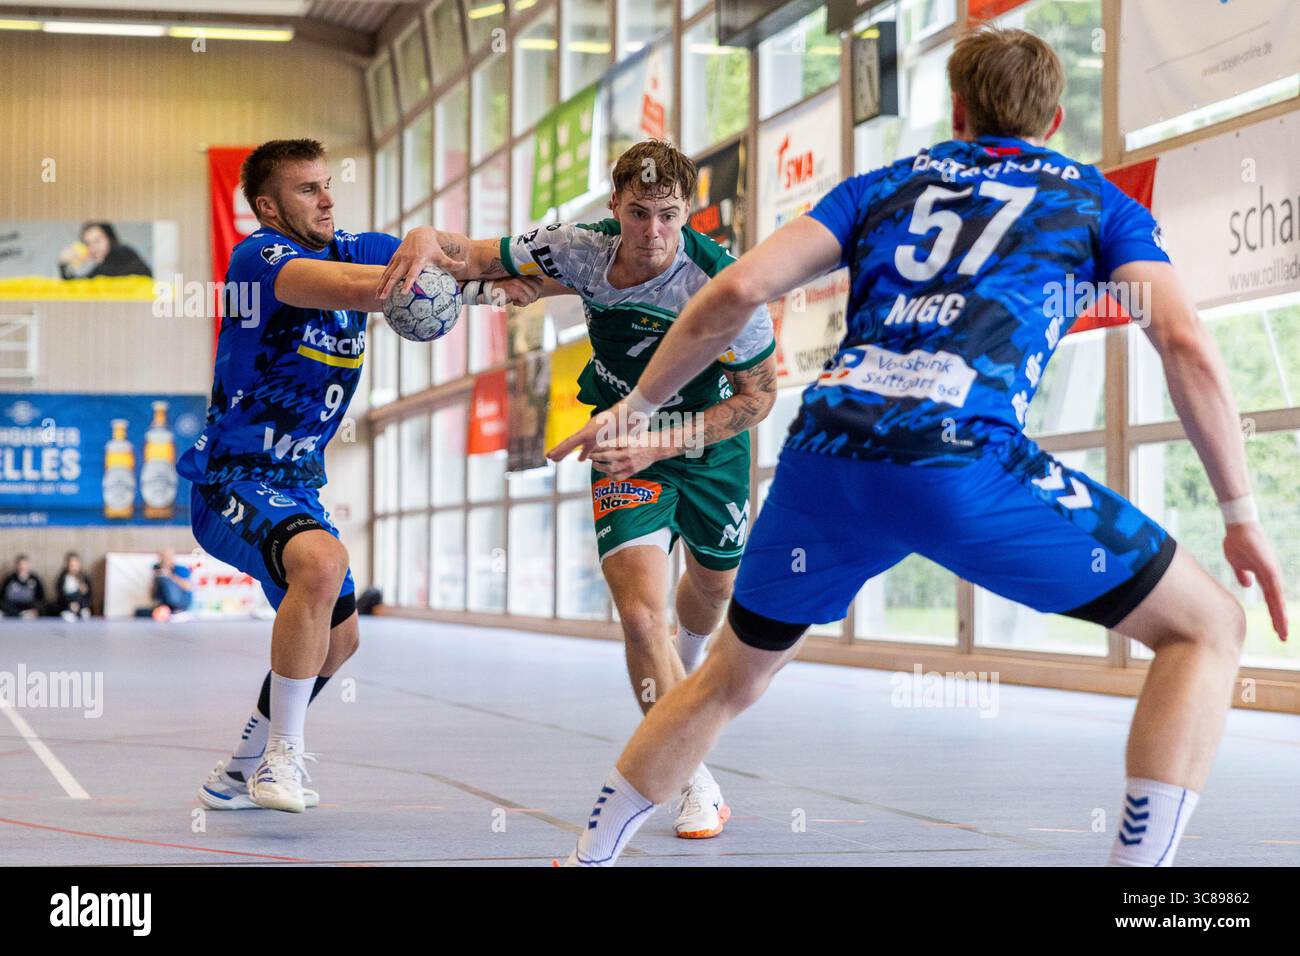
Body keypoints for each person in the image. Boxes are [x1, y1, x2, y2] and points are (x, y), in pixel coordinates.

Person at [548, 27, 1290, 866]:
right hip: (959, 460)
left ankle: (585, 855)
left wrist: (639, 406)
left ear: (958, 108)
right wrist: (1239, 513)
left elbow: (740, 287)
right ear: (1054, 118)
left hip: (826, 456)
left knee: (728, 677)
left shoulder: (884, 185)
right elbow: (1184, 340)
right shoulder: (1093, 200)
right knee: (1208, 627)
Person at [381, 139, 779, 839]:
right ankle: (693, 779)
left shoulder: (725, 285)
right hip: (620, 443)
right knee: (637, 618)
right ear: (613, 205)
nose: (653, 233)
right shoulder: (579, 250)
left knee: (714, 592)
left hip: (708, 446)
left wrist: (662, 437)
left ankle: (676, 678)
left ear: (688, 211)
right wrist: (423, 237)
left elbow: (759, 399)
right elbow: (469, 256)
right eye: (637, 213)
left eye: (667, 215)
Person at [181, 139, 536, 814]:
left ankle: (238, 772)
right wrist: (443, 274)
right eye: (308, 190)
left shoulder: (358, 244)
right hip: (232, 477)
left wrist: (511, 274)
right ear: (268, 206)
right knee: (322, 562)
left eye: (327, 185)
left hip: (299, 484)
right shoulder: (259, 258)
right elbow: (359, 289)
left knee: (341, 641)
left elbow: (477, 256)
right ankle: (284, 759)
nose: (327, 198)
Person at [58, 222, 152, 278]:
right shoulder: (103, 267)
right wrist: (64, 265)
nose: (93, 248)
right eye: (88, 244)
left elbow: (86, 282)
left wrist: (64, 266)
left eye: (97, 241)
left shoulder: (123, 252)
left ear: (109, 239)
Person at [152, 548, 193, 616]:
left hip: (181, 602)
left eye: (167, 557)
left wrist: (169, 575)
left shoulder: (181, 569)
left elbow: (188, 587)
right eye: (162, 557)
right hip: (164, 605)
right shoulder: (157, 569)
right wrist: (155, 578)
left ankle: (175, 609)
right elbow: (152, 594)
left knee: (164, 579)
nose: (164, 560)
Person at [53, 552, 92, 621]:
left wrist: (83, 590)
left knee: (80, 600)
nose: (74, 568)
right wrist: (69, 604)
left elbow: (88, 595)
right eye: (71, 565)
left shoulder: (84, 577)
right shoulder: (63, 578)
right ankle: (69, 611)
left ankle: (80, 611)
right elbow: (60, 594)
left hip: (80, 603)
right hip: (67, 603)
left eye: (75, 565)